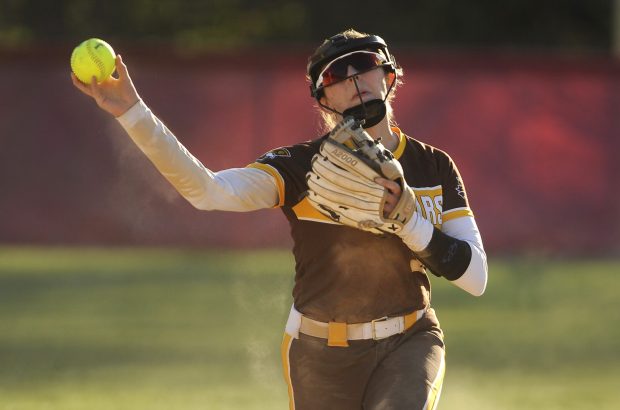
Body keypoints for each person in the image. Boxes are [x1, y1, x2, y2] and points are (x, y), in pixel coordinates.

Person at [72, 28, 487, 410]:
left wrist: (409, 222)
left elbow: (476, 279)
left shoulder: (431, 166)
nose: (354, 80)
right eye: (336, 76)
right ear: (323, 99)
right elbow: (208, 191)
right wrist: (131, 111)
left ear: (389, 74)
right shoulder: (301, 166)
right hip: (319, 351)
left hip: (410, 340)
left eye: (363, 65)